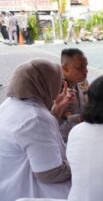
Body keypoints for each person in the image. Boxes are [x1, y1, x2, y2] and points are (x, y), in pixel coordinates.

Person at [0, 59, 74, 201]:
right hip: (32, 192)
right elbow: (50, 174)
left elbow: (36, 139)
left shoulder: (9, 105)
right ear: (45, 84)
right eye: (57, 83)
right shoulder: (35, 119)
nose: (59, 89)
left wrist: (57, 110)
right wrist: (80, 163)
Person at [58, 48, 88, 142]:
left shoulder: (82, 82)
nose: (86, 71)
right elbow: (54, 122)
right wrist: (80, 118)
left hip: (83, 134)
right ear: (65, 68)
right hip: (65, 140)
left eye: (86, 66)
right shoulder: (56, 88)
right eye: (80, 68)